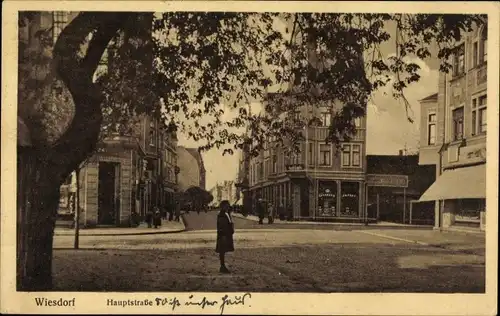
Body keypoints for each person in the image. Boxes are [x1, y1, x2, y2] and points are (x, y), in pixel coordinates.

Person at [216, 200, 234, 273]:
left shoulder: (225, 214)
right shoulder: (222, 215)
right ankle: (222, 267)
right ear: (223, 206)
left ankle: (222, 266)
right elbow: (222, 226)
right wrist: (224, 235)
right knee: (222, 251)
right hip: (223, 235)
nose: (228, 207)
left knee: (222, 251)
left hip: (224, 235)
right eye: (227, 206)